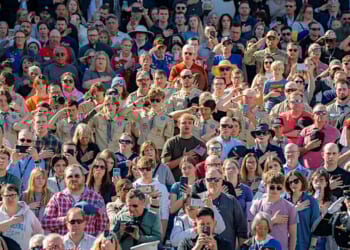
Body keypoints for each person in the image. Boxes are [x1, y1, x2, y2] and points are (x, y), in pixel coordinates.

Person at [42, 164, 108, 236]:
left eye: (77, 176)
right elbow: (45, 222)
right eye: (70, 176)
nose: (73, 179)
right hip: (63, 244)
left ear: (83, 178)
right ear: (65, 180)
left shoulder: (97, 198)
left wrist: (94, 243)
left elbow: (103, 225)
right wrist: (66, 219)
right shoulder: (57, 198)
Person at [248, 170, 297, 250]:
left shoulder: (290, 207)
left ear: (282, 188)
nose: (275, 190)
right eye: (272, 187)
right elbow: (251, 232)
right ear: (265, 186)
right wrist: (272, 221)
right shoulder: (256, 205)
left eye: (278, 187)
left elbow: (293, 235)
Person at [133, 156, 169, 241]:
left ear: (152, 169)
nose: (145, 171)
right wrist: (148, 199)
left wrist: (162, 236)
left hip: (156, 227)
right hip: (138, 226)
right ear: (138, 170)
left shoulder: (161, 187)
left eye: (148, 168)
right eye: (142, 169)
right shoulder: (134, 186)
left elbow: (164, 213)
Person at [162, 113, 207, 181]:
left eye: (190, 123)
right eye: (184, 123)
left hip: (194, 183)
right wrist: (183, 158)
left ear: (193, 125)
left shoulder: (200, 145)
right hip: (174, 182)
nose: (187, 125)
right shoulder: (171, 142)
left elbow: (204, 166)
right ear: (178, 125)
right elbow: (165, 167)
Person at [0, 184, 44, 250]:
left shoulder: (27, 213)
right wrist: (11, 221)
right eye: (7, 196)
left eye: (13, 195)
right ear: (2, 197)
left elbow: (39, 232)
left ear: (18, 196)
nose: (10, 198)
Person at [284, 170, 320, 250]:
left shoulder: (311, 202)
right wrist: (295, 210)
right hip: (286, 245)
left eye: (296, 181)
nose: (293, 184)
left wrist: (312, 247)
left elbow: (316, 226)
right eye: (290, 182)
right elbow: (281, 221)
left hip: (305, 245)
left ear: (302, 181)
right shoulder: (283, 201)